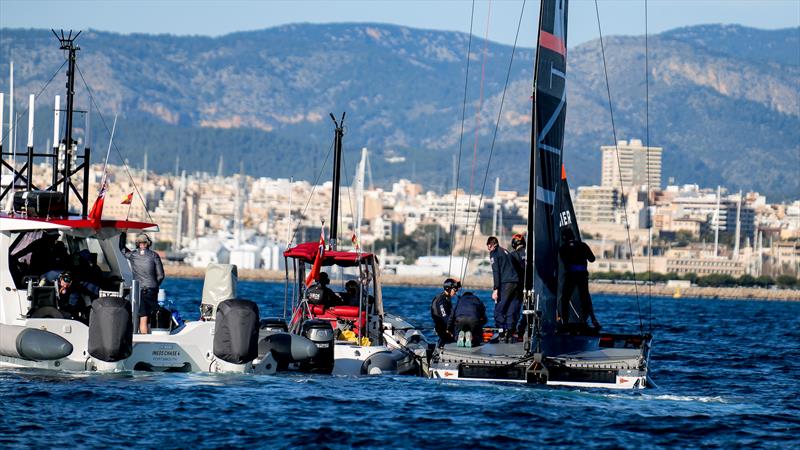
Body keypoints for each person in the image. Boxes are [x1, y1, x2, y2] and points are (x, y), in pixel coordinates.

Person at [120, 232, 165, 334]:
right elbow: (161, 275)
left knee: (143, 317)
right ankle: (152, 337)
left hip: (140, 289)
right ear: (148, 243)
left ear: (137, 244)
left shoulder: (133, 255)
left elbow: (122, 249)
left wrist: (123, 234)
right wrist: (155, 285)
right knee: (151, 315)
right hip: (152, 289)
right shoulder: (154, 255)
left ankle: (144, 338)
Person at [558, 228, 601, 329]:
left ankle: (564, 322)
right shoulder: (583, 245)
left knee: (565, 298)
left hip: (570, 275)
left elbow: (563, 263)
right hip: (582, 275)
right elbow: (592, 259)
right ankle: (590, 320)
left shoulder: (562, 248)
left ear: (564, 238)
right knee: (585, 298)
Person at [487, 236, 519, 342]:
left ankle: (501, 333)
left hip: (506, 283)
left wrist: (496, 289)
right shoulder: (506, 251)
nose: (488, 250)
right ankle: (510, 333)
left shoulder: (494, 253)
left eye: (488, 247)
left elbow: (496, 271)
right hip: (516, 282)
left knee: (499, 309)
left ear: (492, 245)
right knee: (510, 308)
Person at [430, 278, 459, 348]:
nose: (456, 292)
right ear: (448, 289)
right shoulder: (442, 301)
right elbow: (445, 318)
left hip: (446, 327)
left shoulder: (446, 297)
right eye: (455, 290)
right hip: (443, 329)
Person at [509, 234, 527, 339]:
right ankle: (522, 330)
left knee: (515, 308)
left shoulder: (513, 255)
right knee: (528, 309)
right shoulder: (530, 254)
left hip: (518, 285)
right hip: (531, 285)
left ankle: (512, 330)